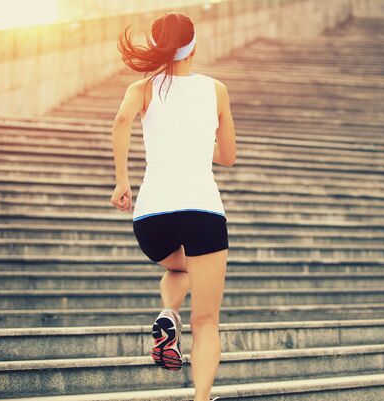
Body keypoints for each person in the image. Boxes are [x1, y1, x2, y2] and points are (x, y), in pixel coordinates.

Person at [110, 12, 235, 401]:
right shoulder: (216, 90)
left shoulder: (142, 88)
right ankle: (201, 398)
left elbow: (121, 121)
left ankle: (169, 313)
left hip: (152, 216)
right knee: (207, 319)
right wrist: (197, 142)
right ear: (193, 47)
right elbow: (228, 156)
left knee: (180, 268)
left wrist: (122, 180)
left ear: (159, 47)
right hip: (203, 212)